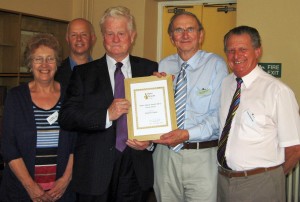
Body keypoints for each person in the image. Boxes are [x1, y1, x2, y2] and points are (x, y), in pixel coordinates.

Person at [58, 6, 158, 202]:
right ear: (102, 37)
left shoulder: (150, 69)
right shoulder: (83, 73)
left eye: (121, 33)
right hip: (94, 171)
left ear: (132, 35)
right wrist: (106, 115)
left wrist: (150, 142)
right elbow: (67, 117)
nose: (115, 39)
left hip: (135, 167)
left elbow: (158, 116)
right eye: (109, 33)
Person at [217, 25, 300, 201]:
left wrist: (268, 176)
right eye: (231, 50)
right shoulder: (226, 84)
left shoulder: (277, 91)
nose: (236, 56)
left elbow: (294, 149)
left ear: (257, 51)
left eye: (243, 49)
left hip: (261, 183)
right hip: (224, 181)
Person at [152, 11, 228, 201]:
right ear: (171, 37)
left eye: (190, 29)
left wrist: (186, 134)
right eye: (179, 30)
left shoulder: (216, 64)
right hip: (165, 156)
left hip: (202, 156)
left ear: (200, 35)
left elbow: (219, 116)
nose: (185, 35)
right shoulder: (164, 65)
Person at [0, 33, 75, 201]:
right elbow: (8, 147)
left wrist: (65, 180)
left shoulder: (70, 96)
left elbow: (77, 144)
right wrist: (31, 186)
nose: (44, 65)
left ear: (57, 63)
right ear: (29, 64)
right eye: (38, 59)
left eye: (50, 58)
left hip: (62, 192)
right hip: (21, 191)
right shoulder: (15, 97)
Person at [55, 18, 96, 89]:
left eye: (84, 34)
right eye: (73, 35)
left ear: (92, 38)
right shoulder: (54, 73)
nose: (79, 39)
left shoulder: (105, 72)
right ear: (67, 39)